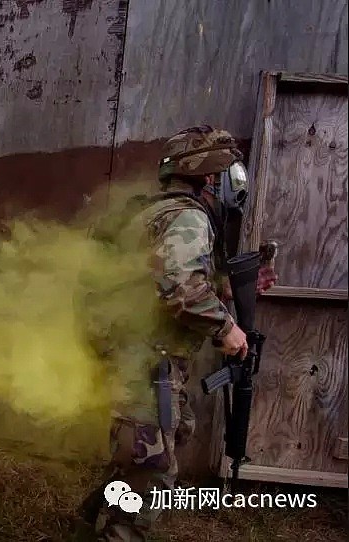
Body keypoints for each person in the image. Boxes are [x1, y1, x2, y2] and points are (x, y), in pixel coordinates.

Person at [74, 125, 278, 541]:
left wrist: (225, 288)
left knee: (162, 441)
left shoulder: (155, 211)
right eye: (227, 175)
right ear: (209, 177)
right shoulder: (188, 215)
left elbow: (158, 278)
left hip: (137, 353)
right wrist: (227, 329)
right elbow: (181, 290)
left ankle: (90, 522)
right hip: (147, 360)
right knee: (151, 472)